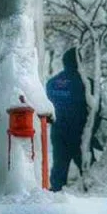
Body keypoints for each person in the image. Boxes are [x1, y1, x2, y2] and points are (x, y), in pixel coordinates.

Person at [45, 48, 89, 191]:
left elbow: (48, 108)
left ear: (64, 62)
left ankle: (56, 195)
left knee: (59, 167)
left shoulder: (52, 83)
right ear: (79, 62)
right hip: (79, 133)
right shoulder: (86, 84)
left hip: (58, 132)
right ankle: (91, 194)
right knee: (88, 170)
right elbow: (95, 109)